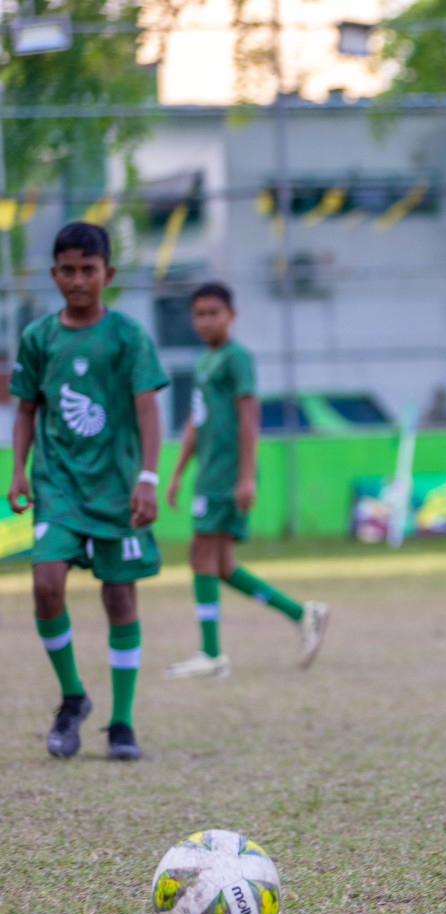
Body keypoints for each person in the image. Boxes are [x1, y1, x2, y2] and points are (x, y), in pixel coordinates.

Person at [7, 223, 167, 761]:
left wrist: (148, 477)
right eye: (68, 270)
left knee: (119, 596)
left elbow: (148, 408)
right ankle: (72, 697)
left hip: (117, 489)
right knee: (46, 584)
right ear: (54, 274)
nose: (78, 280)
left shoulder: (127, 335)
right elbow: (26, 408)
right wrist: (19, 471)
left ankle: (122, 723)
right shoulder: (38, 338)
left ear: (108, 274)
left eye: (89, 270)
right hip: (58, 487)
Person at [163, 283, 329, 679]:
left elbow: (250, 415)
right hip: (208, 473)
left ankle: (212, 654)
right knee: (220, 566)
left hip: (226, 473)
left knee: (201, 556)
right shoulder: (205, 361)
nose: (206, 321)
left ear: (231, 316)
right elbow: (195, 420)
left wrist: (246, 476)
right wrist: (177, 471)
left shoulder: (237, 359)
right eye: (199, 314)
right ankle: (302, 613)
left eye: (213, 313)